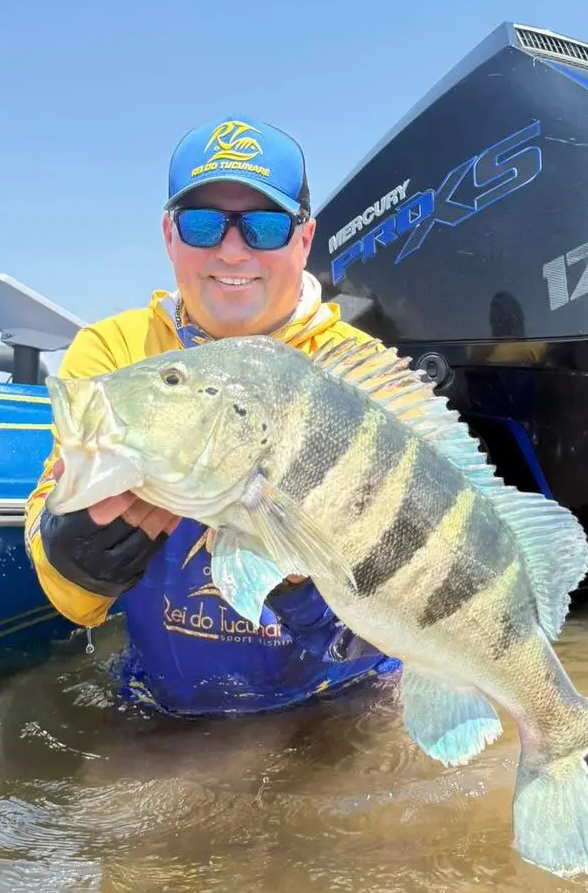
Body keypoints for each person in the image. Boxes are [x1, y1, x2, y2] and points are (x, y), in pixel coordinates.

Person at [23, 115, 401, 717]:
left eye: (264, 226)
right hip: (174, 707)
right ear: (170, 236)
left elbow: (402, 593)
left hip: (347, 692)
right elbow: (75, 604)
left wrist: (299, 580)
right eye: (203, 224)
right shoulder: (113, 356)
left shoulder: (360, 372)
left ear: (304, 239)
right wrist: (77, 554)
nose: (231, 250)